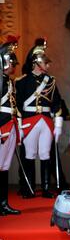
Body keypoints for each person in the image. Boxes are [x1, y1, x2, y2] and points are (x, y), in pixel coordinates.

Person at [15, 43, 63, 198]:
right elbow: (18, 105)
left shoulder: (51, 81)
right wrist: (20, 125)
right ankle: (28, 188)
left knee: (45, 155)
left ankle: (46, 188)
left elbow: (56, 102)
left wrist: (58, 123)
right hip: (29, 121)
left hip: (46, 121)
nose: (47, 65)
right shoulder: (22, 81)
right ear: (36, 63)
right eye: (44, 62)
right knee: (29, 154)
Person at [0, 37, 21, 215]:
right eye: (11, 62)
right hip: (1, 126)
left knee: (4, 167)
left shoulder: (8, 81)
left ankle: (3, 203)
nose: (14, 66)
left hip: (10, 124)